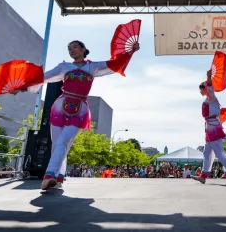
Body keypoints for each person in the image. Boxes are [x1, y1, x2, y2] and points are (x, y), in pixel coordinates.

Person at [11, 40, 139, 190]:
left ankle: (49, 175)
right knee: (58, 143)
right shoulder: (64, 67)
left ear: (84, 49)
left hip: (80, 109)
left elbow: (114, 64)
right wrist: (22, 88)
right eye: (69, 48)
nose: (71, 50)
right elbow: (43, 77)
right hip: (60, 106)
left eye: (74, 47)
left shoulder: (93, 66)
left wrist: (131, 52)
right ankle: (59, 178)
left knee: (64, 141)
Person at [192, 69, 226, 186]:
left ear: (205, 88)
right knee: (207, 153)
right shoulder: (208, 99)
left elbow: (211, 88)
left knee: (219, 152)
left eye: (201, 89)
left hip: (214, 128)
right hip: (209, 128)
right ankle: (203, 176)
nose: (200, 92)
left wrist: (208, 77)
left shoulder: (212, 97)